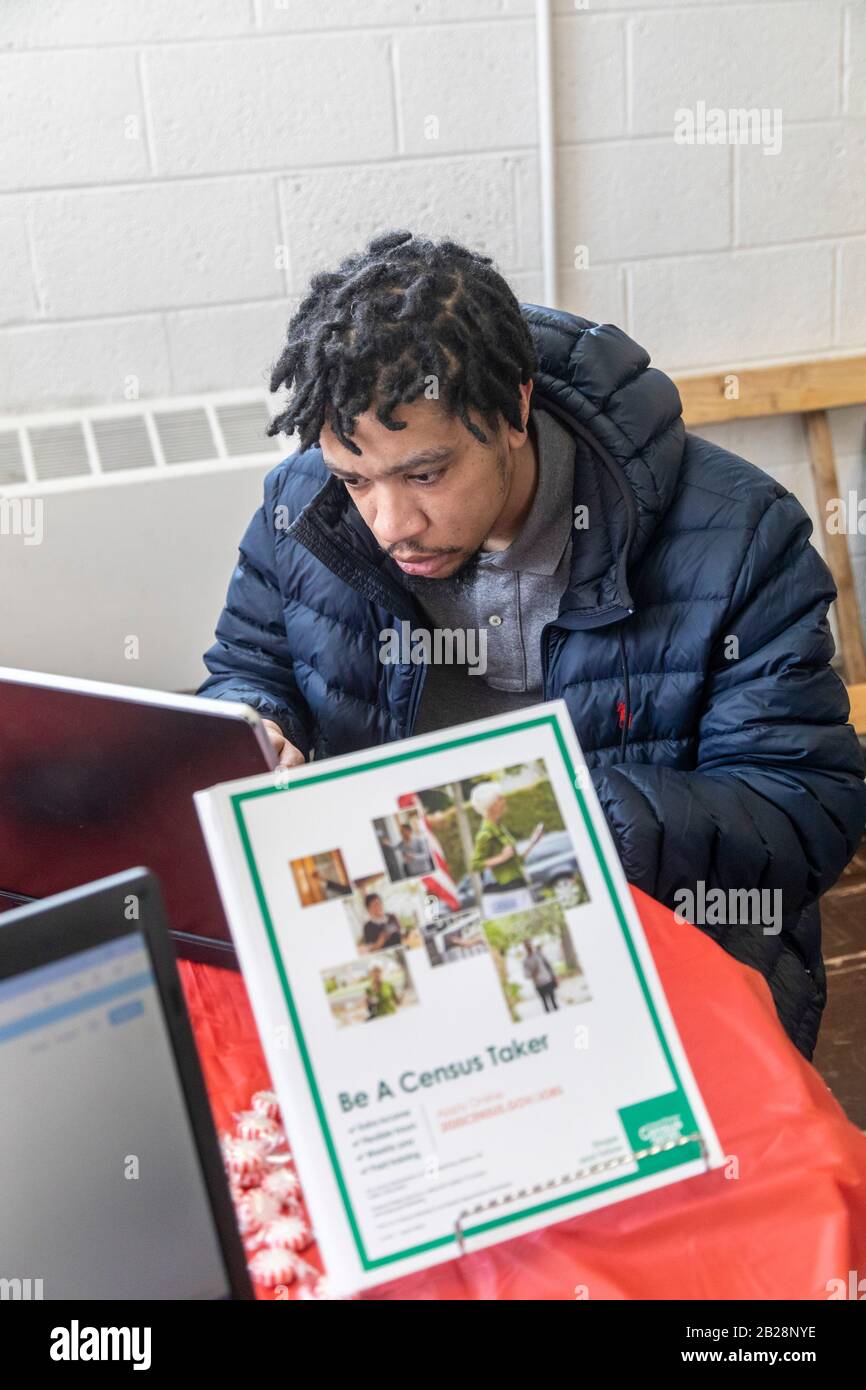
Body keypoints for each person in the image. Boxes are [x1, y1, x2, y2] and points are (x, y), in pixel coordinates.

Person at [197, 228, 866, 1060]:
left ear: (514, 410)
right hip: (401, 948)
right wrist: (252, 725)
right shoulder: (307, 510)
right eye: (356, 479)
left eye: (427, 474)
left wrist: (551, 821)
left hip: (646, 954)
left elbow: (802, 808)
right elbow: (251, 666)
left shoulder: (738, 537)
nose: (390, 525)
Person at [468, 782, 542, 917]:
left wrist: (532, 843)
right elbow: (475, 865)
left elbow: (516, 861)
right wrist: (501, 857)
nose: (504, 800)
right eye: (500, 798)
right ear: (491, 806)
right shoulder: (485, 833)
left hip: (519, 886)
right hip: (506, 893)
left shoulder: (500, 828)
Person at [522, 939, 559, 1013]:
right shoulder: (525, 960)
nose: (528, 946)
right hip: (539, 985)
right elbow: (526, 975)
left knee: (554, 1003)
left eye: (529, 944)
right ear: (524, 947)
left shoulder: (540, 954)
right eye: (526, 945)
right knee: (545, 1005)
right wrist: (533, 974)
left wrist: (555, 977)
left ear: (531, 944)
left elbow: (549, 966)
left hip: (548, 981)